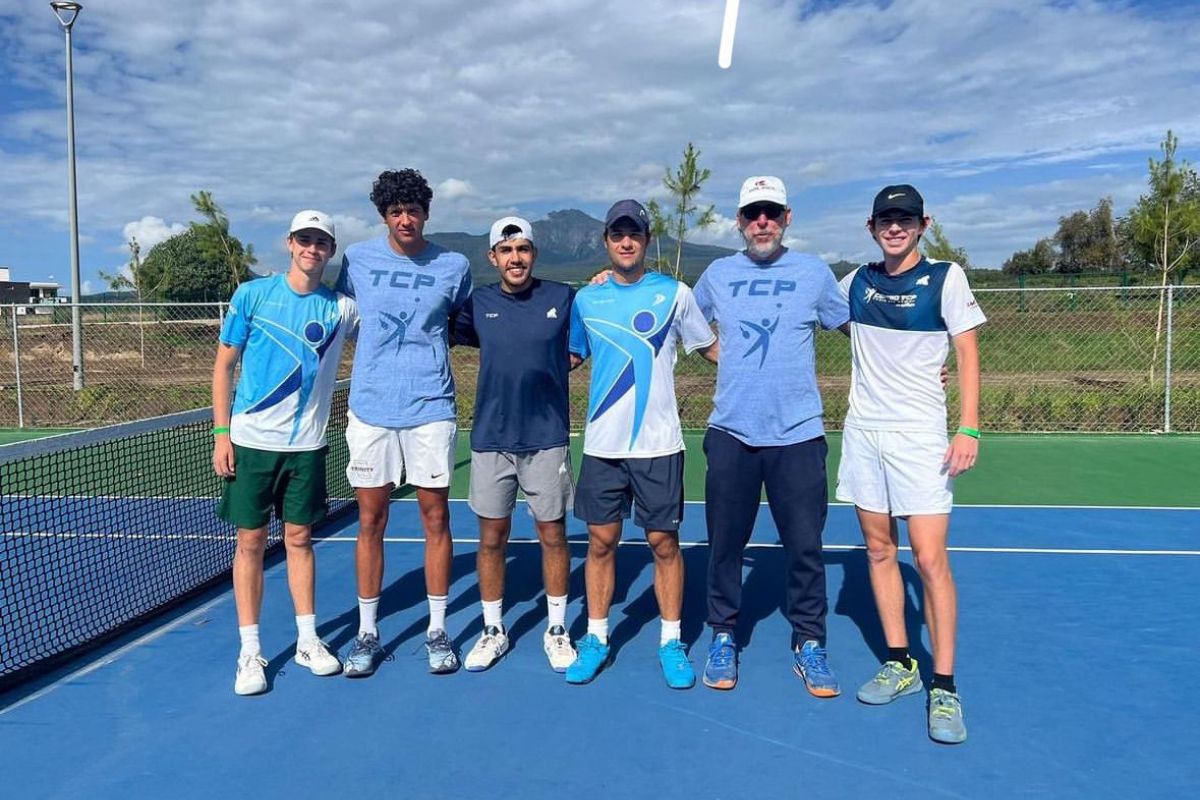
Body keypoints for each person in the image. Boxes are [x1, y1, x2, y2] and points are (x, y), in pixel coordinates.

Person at [838, 185, 984, 744]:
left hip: (922, 437)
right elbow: (801, 306)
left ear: (923, 223)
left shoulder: (946, 278)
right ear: (870, 226)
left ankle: (943, 685)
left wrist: (967, 426)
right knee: (879, 550)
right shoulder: (854, 282)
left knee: (928, 559)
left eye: (904, 219)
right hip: (864, 434)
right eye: (884, 220)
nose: (894, 228)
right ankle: (901, 663)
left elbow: (967, 352)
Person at [692, 176, 849, 695]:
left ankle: (809, 641)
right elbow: (682, 322)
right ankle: (722, 634)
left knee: (805, 546)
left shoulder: (813, 273)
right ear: (739, 221)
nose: (762, 222)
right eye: (753, 213)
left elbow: (858, 329)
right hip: (732, 434)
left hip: (799, 436)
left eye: (771, 213)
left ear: (787, 218)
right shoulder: (716, 274)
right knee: (725, 546)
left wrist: (915, 364)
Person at [565, 199, 718, 688]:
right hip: (603, 447)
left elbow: (713, 350)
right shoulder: (587, 300)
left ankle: (671, 641)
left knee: (663, 543)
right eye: (617, 234)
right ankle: (596, 636)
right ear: (606, 242)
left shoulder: (676, 294)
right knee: (601, 541)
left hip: (659, 445)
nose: (626, 242)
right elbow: (568, 356)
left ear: (646, 241)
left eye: (634, 234)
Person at [213, 209, 358, 695]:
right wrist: (221, 432)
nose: (312, 248)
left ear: (330, 252)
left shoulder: (342, 308)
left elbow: (401, 317)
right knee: (250, 543)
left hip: (307, 448)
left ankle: (307, 641)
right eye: (304, 239)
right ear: (289, 243)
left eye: (321, 242)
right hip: (251, 444)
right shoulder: (252, 295)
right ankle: (249, 651)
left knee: (299, 540)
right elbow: (224, 366)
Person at [335, 169, 472, 676]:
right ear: (384, 215)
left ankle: (438, 629)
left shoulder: (454, 265)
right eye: (396, 211)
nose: (405, 219)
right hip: (371, 411)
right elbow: (342, 319)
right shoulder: (356, 260)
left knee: (436, 518)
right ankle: (368, 633)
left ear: (425, 213)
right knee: (371, 520)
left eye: (413, 210)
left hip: (431, 410)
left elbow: (462, 322)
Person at [450, 216, 577, 673]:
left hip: (546, 438)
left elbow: (582, 340)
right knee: (491, 538)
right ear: (493, 258)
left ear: (533, 255)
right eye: (506, 251)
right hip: (490, 440)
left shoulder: (563, 297)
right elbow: (438, 331)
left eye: (523, 249)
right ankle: (492, 630)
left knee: (553, 534)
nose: (515, 258)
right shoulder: (476, 303)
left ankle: (557, 629)